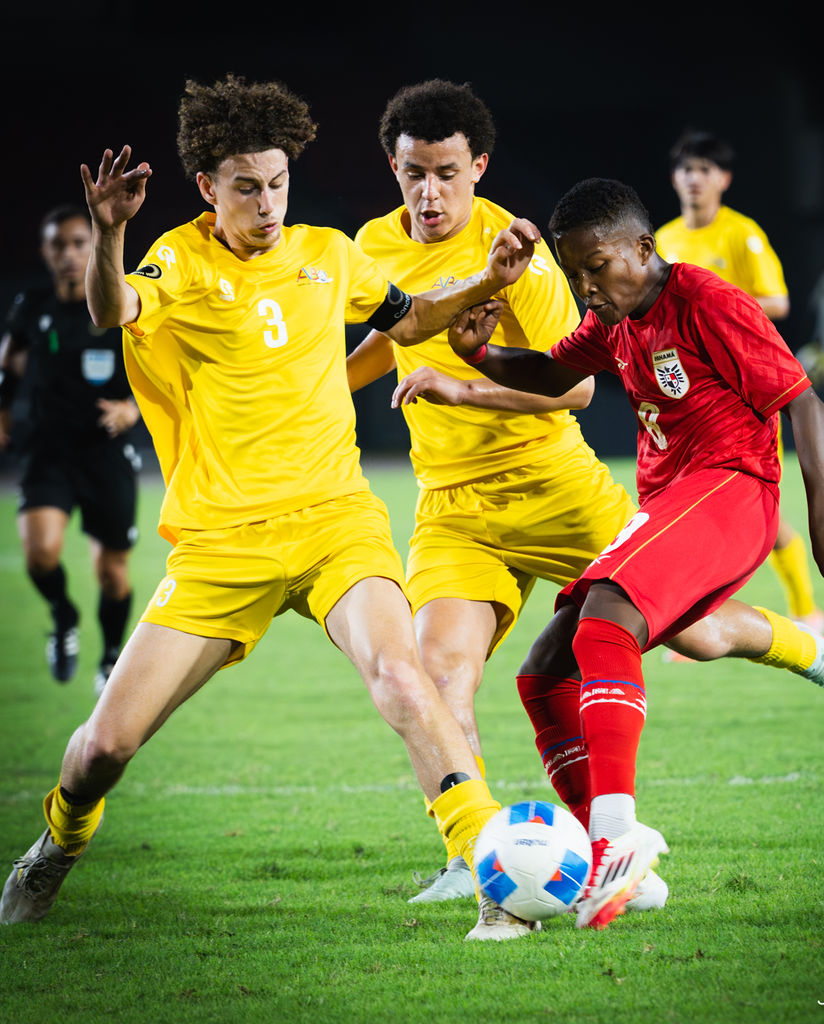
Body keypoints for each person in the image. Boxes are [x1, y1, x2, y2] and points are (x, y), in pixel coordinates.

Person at [0, 75, 542, 942]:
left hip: (335, 521)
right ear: (208, 187)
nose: (267, 204)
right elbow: (111, 309)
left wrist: (487, 277)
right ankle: (57, 844)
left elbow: (409, 321)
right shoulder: (178, 260)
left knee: (403, 677)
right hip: (222, 544)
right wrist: (109, 232)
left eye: (278, 183)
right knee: (103, 749)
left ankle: (490, 874)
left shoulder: (329, 253)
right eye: (247, 187)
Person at [348, 81, 824, 920]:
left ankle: (616, 840)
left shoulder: (688, 294)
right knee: (537, 674)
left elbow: (799, 403)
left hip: (682, 486)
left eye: (596, 271)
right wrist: (478, 357)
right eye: (579, 275)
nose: (587, 289)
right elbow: (550, 366)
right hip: (539, 502)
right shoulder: (605, 315)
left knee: (628, 621)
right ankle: (519, 858)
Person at [655, 130, 824, 635]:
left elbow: (778, 301)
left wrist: (712, 304)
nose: (694, 178)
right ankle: (692, 627)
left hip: (740, 391)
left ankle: (805, 611)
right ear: (674, 178)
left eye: (704, 169)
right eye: (686, 169)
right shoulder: (662, 240)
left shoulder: (741, 234)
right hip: (683, 394)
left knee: (756, 515)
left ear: (724, 179)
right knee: (686, 511)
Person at [0, 206, 141, 695]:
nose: (69, 254)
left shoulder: (118, 305)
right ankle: (63, 617)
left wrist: (132, 409)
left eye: (79, 243)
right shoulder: (31, 306)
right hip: (48, 451)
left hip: (105, 452)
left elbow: (162, 369)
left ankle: (110, 656)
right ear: (45, 251)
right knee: (40, 555)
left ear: (94, 246)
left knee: (112, 573)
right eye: (57, 244)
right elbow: (10, 363)